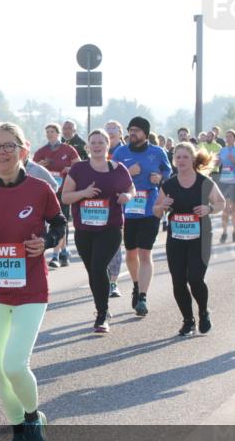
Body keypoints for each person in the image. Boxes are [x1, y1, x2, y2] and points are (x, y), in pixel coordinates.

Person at [0, 123, 66, 441]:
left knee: (14, 364)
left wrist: (48, 242)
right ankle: (16, 431)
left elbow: (59, 223)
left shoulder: (40, 189)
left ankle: (31, 417)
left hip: (31, 289)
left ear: (24, 150)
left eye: (8, 146)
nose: (1, 152)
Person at [60, 130, 135, 332]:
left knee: (98, 267)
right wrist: (84, 193)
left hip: (110, 227)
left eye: (101, 142)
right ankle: (102, 308)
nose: (97, 145)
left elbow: (131, 189)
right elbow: (65, 197)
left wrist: (127, 197)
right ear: (88, 146)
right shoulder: (78, 169)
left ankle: (101, 315)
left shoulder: (118, 169)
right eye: (93, 142)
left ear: (108, 145)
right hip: (84, 229)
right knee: (93, 271)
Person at [154, 143, 225, 336]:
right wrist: (163, 206)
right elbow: (155, 209)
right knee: (178, 280)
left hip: (200, 238)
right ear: (174, 160)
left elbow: (221, 202)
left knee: (195, 278)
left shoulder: (204, 182)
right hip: (176, 238)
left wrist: (209, 209)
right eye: (178, 157)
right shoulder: (168, 184)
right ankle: (188, 320)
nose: (181, 161)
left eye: (185, 157)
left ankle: (203, 311)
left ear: (192, 160)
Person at [111, 117, 171, 316]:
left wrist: (160, 178)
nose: (132, 133)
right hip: (128, 210)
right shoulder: (120, 152)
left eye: (136, 130)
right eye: (130, 130)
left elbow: (168, 171)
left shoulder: (157, 152)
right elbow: (111, 178)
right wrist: (129, 171)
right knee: (130, 253)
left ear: (145, 133)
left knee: (145, 253)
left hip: (150, 208)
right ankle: (136, 285)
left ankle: (143, 297)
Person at [33, 123, 80, 268]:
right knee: (50, 222)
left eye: (52, 131)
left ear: (58, 133)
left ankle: (57, 254)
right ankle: (63, 251)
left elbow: (79, 167)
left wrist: (69, 168)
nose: (49, 134)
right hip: (47, 191)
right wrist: (40, 164)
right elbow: (31, 169)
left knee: (61, 220)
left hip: (64, 189)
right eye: (47, 131)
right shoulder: (42, 151)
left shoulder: (68, 149)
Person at [103, 120, 125, 297]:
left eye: (113, 129)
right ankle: (103, 279)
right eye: (107, 129)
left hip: (123, 202)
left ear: (120, 132)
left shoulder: (125, 151)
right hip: (101, 204)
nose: (110, 132)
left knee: (117, 244)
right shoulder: (100, 150)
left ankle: (113, 282)